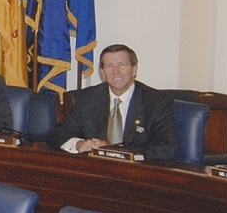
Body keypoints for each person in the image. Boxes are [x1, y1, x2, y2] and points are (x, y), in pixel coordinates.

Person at [47, 43, 177, 159]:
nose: (116, 72)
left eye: (122, 65)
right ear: (102, 73)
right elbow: (57, 134)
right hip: (96, 172)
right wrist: (79, 144)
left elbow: (166, 149)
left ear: (134, 69)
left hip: (138, 172)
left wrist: (112, 151)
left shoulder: (157, 102)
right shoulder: (87, 98)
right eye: (109, 66)